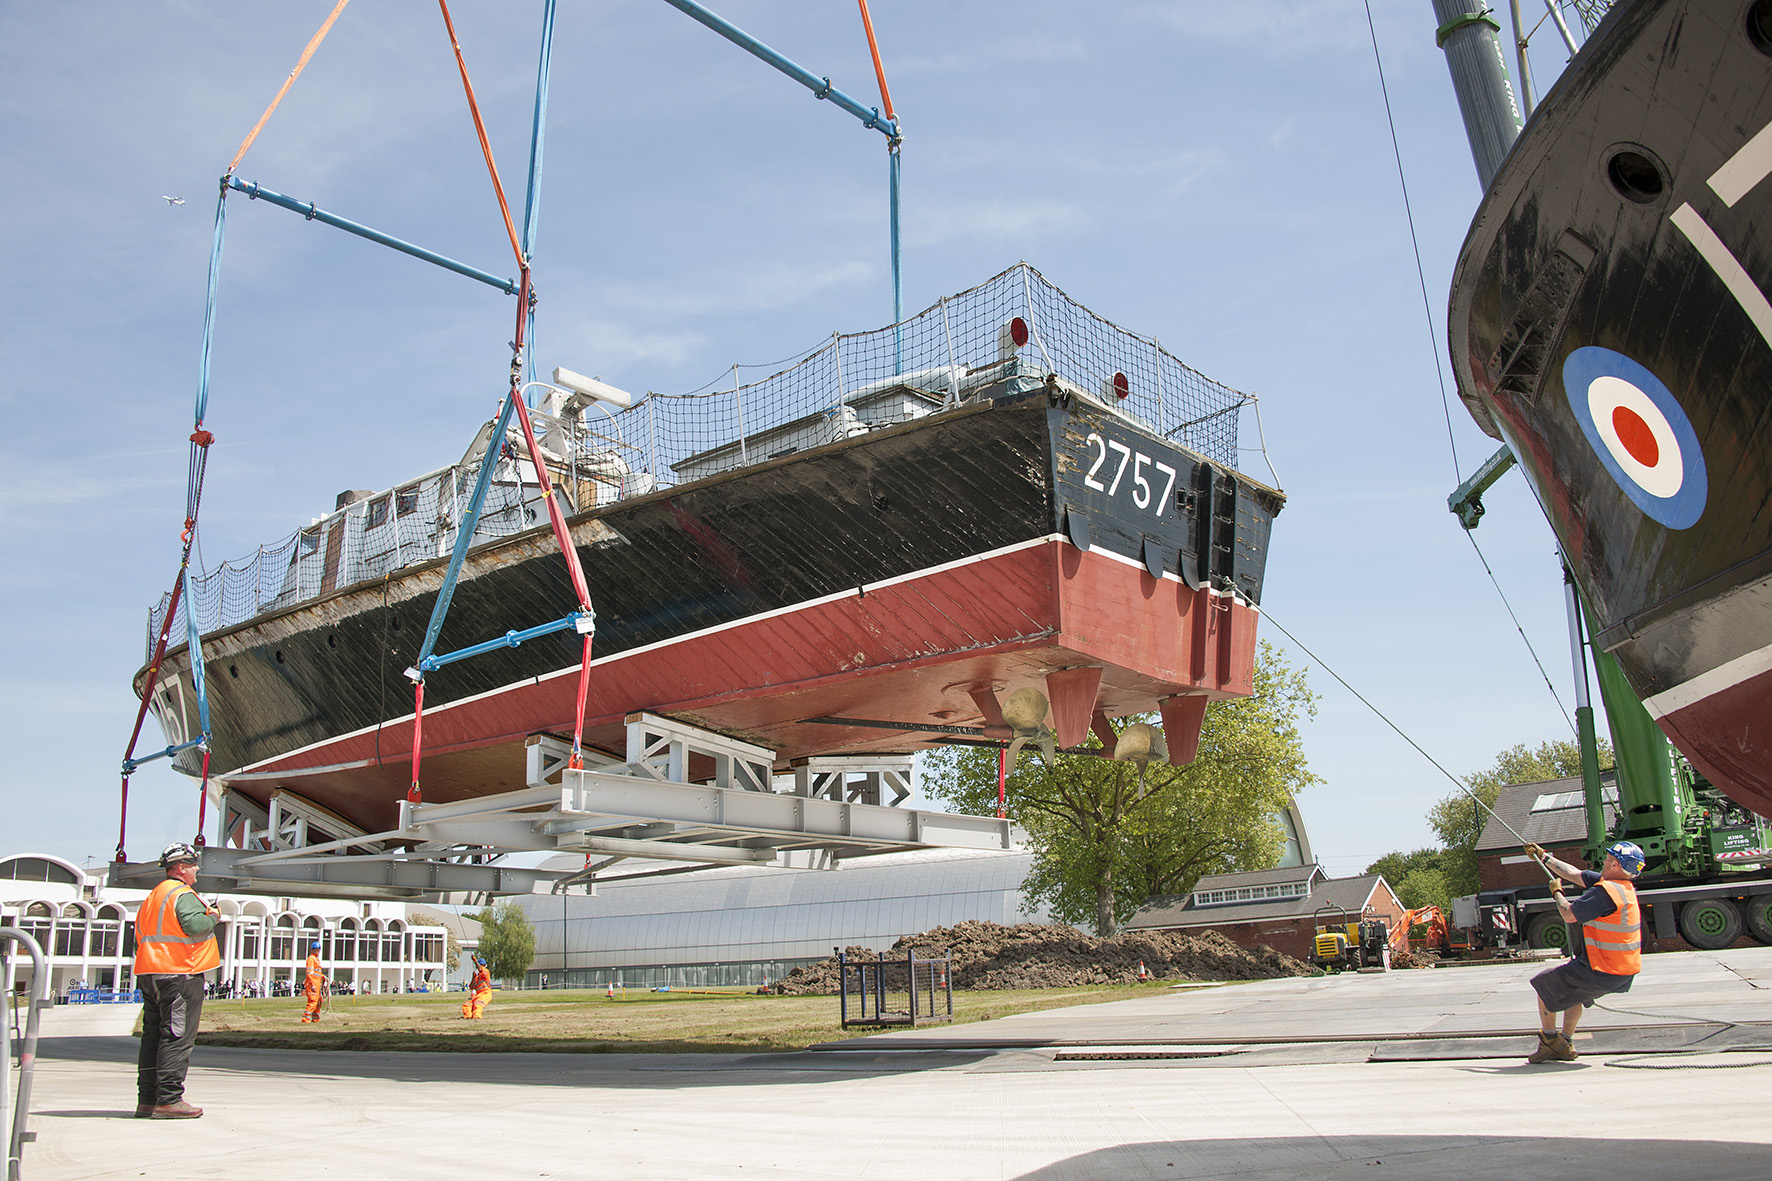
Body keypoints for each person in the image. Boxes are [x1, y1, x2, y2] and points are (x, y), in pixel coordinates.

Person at [1523, 840, 1645, 1063]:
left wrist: (1557, 892)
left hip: (1602, 969)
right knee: (1572, 991)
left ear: (1616, 865)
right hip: (1621, 971)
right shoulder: (1622, 887)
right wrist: (1544, 857)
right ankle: (1566, 1043)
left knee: (1545, 986)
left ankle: (1550, 1043)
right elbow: (1574, 874)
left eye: (1608, 859)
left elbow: (1568, 914)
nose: (1604, 861)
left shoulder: (1604, 893)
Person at [133, 842, 220, 1119]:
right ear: (181, 868)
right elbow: (195, 926)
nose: (197, 870)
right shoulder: (182, 894)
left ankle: (148, 1100)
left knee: (153, 1037)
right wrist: (213, 916)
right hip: (179, 974)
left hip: (151, 973)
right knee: (176, 1036)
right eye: (193, 865)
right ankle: (169, 1100)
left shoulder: (154, 896)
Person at [301, 941, 327, 1023]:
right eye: (316, 949)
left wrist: (323, 976)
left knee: (318, 1002)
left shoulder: (316, 960)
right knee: (313, 1002)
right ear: (312, 950)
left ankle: (315, 1019)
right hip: (312, 985)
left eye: (319, 949)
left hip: (317, 984)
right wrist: (312, 985)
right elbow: (309, 973)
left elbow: (317, 973)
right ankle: (305, 1019)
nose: (317, 951)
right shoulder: (311, 959)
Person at [461, 955, 492, 1019]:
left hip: (486, 993)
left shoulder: (486, 971)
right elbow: (471, 987)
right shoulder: (477, 977)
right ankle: (468, 1016)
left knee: (478, 1004)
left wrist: (474, 960)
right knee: (467, 1004)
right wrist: (473, 978)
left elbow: (480, 969)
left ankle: (477, 1016)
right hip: (478, 995)